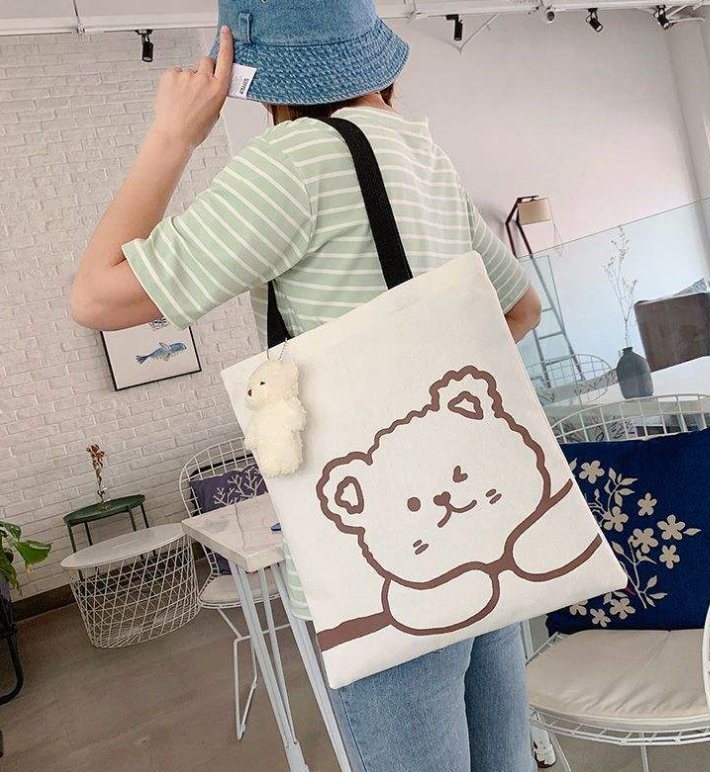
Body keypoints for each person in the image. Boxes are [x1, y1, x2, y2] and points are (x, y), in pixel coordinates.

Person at [71, 2, 541, 770]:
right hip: (481, 528)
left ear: (256, 78)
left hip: (377, 560)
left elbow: (96, 296)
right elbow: (520, 308)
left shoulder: (291, 163)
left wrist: (172, 137)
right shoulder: (420, 152)